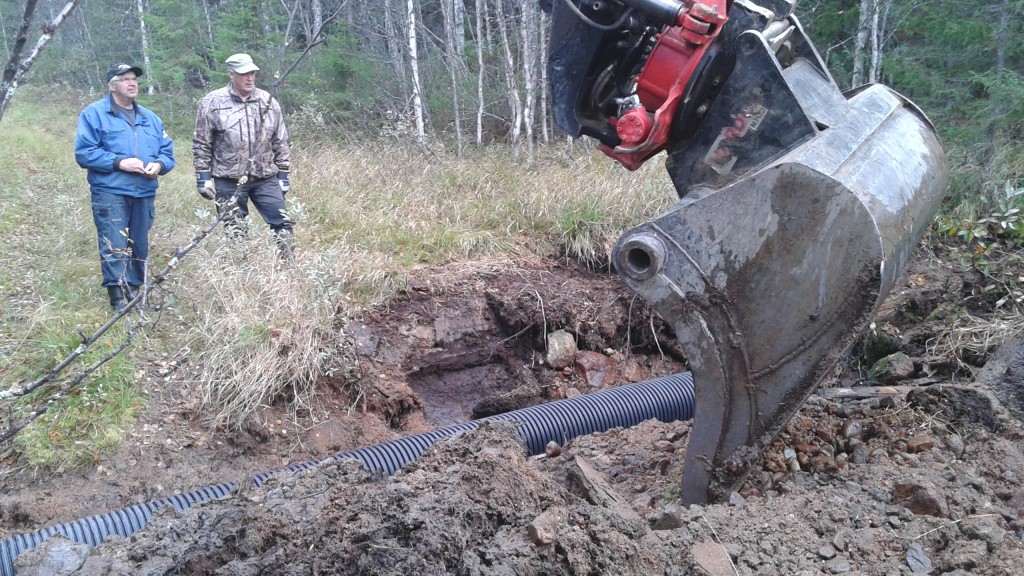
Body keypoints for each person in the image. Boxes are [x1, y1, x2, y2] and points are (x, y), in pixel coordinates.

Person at [74, 63, 176, 310]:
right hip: (110, 191)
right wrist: (119, 162)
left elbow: (168, 153)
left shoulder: (150, 118)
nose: (132, 83)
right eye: (125, 79)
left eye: (134, 79)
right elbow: (84, 153)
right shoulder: (94, 114)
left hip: (144, 191)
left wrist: (160, 165)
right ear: (112, 86)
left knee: (139, 243)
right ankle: (118, 297)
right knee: (114, 243)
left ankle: (135, 293)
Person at [192, 53, 294, 256]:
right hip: (228, 178)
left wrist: (283, 173)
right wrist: (203, 176)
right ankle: (241, 272)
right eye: (244, 74)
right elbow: (202, 141)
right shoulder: (212, 102)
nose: (249, 78)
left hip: (265, 177)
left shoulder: (268, 101)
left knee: (282, 222)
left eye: (253, 73)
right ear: (231, 74)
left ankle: (289, 266)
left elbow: (280, 139)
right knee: (235, 228)